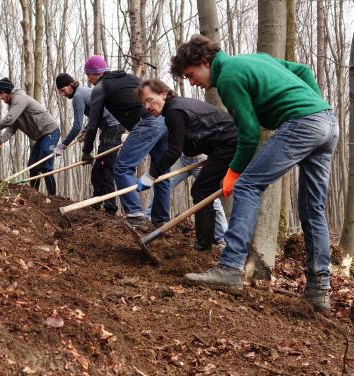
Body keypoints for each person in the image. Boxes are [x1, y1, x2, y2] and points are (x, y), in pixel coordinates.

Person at [170, 35, 338, 312]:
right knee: (312, 210)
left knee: (247, 187)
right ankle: (319, 289)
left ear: (204, 62)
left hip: (303, 124)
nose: (192, 83)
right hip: (327, 122)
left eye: (191, 75)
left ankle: (230, 267)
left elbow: (248, 134)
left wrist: (233, 173)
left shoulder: (228, 78)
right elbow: (304, 71)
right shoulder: (256, 59)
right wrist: (315, 104)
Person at [135, 79, 237, 251]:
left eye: (149, 100)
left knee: (201, 190)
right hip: (222, 145)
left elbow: (175, 150)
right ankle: (208, 242)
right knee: (204, 191)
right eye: (144, 103)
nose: (147, 106)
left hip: (228, 144)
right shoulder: (176, 107)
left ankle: (205, 245)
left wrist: (151, 174)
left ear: (163, 94)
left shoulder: (175, 111)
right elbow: (187, 145)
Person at [81, 55, 170, 228]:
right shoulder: (129, 78)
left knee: (122, 168)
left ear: (95, 73)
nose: (88, 79)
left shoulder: (101, 88)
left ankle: (136, 215)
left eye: (88, 74)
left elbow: (93, 123)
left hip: (147, 124)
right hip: (163, 120)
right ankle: (161, 221)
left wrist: (86, 151)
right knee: (161, 172)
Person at [55, 72, 124, 215]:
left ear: (70, 85)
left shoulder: (78, 96)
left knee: (105, 166)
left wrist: (63, 145)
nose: (62, 94)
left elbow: (76, 126)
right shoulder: (83, 92)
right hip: (108, 127)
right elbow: (95, 115)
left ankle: (110, 208)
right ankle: (96, 203)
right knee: (98, 169)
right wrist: (86, 131)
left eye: (63, 90)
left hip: (114, 126)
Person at [0, 78, 60, 195]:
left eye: (0, 95)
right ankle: (35, 194)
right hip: (42, 136)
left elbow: (9, 119)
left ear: (5, 92)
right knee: (33, 165)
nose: (0, 98)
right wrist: (0, 141)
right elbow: (12, 126)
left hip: (50, 132)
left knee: (45, 163)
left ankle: (53, 197)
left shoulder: (19, 98)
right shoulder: (13, 105)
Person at [145, 153, 228, 246]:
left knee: (211, 197)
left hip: (202, 158)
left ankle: (223, 238)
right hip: (180, 157)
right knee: (161, 186)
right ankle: (147, 222)